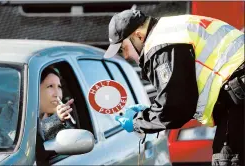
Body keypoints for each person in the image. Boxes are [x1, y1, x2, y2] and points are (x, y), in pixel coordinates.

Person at [104, 9, 244, 165]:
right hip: (237, 92)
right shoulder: (171, 29)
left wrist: (138, 122)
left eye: (124, 48)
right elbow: (183, 96)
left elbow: (176, 107)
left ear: (138, 35)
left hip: (238, 95)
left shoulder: (160, 43)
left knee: (229, 159)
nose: (126, 56)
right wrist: (153, 112)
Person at [39, 67, 75, 141]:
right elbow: (30, 139)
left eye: (59, 87)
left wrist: (61, 120)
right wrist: (56, 119)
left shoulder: (59, 117)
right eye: (50, 86)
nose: (57, 94)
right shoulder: (17, 115)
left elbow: (72, 141)